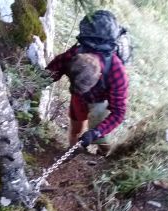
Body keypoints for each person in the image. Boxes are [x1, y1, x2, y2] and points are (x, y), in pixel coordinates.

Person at [46, 10, 129, 156]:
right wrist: (31, 85)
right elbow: (51, 71)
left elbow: (119, 112)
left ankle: (103, 154)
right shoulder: (73, 55)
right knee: (75, 128)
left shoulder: (117, 72)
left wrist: (96, 132)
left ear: (99, 77)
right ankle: (73, 152)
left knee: (102, 138)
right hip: (79, 99)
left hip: (100, 101)